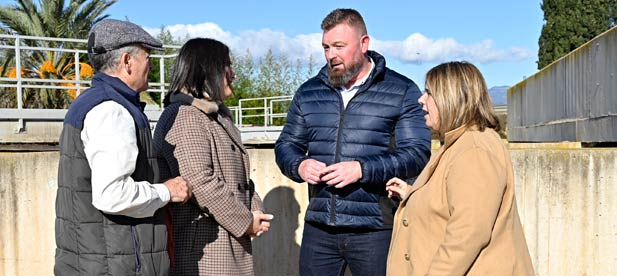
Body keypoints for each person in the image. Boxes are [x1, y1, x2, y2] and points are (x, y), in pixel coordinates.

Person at [275, 8, 431, 276]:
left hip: (376, 229)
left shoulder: (401, 90)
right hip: (319, 227)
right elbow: (285, 146)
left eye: (339, 46)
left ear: (364, 43)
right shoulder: (308, 92)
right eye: (325, 47)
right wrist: (299, 166)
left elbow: (417, 154)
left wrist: (362, 169)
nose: (331, 55)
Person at [54, 19, 190, 276]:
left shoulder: (93, 103)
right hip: (118, 266)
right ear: (127, 61)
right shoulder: (112, 111)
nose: (150, 65)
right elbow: (112, 195)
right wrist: (166, 192)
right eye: (147, 57)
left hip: (100, 262)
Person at [385, 61, 535, 275]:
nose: (421, 99)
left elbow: (468, 232)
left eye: (429, 92)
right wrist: (413, 195)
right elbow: (456, 203)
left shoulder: (473, 150)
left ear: (451, 98)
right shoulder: (459, 143)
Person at [153, 38, 273, 276]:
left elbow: (241, 179)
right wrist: (245, 221)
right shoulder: (185, 116)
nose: (233, 74)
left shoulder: (216, 116)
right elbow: (200, 182)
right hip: (204, 250)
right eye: (227, 66)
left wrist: (255, 211)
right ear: (208, 70)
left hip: (226, 242)